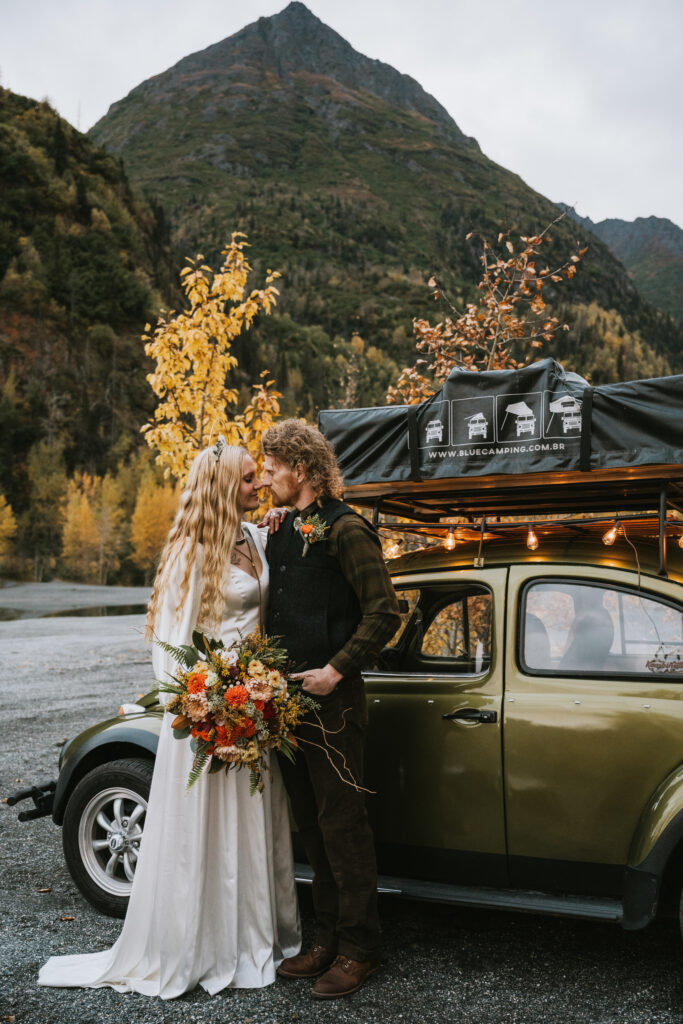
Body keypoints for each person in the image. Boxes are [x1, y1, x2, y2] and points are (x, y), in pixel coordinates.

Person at [38, 443, 300, 999]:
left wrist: (283, 518)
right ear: (223, 488)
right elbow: (169, 647)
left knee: (253, 822)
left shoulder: (255, 537)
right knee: (207, 829)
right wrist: (205, 705)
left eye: (259, 478)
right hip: (212, 715)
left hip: (257, 705)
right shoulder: (189, 555)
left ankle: (253, 936)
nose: (259, 486)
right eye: (250, 479)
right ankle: (203, 944)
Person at [261, 419, 400, 1000]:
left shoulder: (347, 529)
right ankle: (324, 942)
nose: (265, 478)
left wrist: (337, 669)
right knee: (311, 828)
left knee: (344, 829)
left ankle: (361, 950)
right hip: (288, 707)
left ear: (300, 467)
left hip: (335, 703)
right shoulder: (285, 527)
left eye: (271, 469)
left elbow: (385, 611)